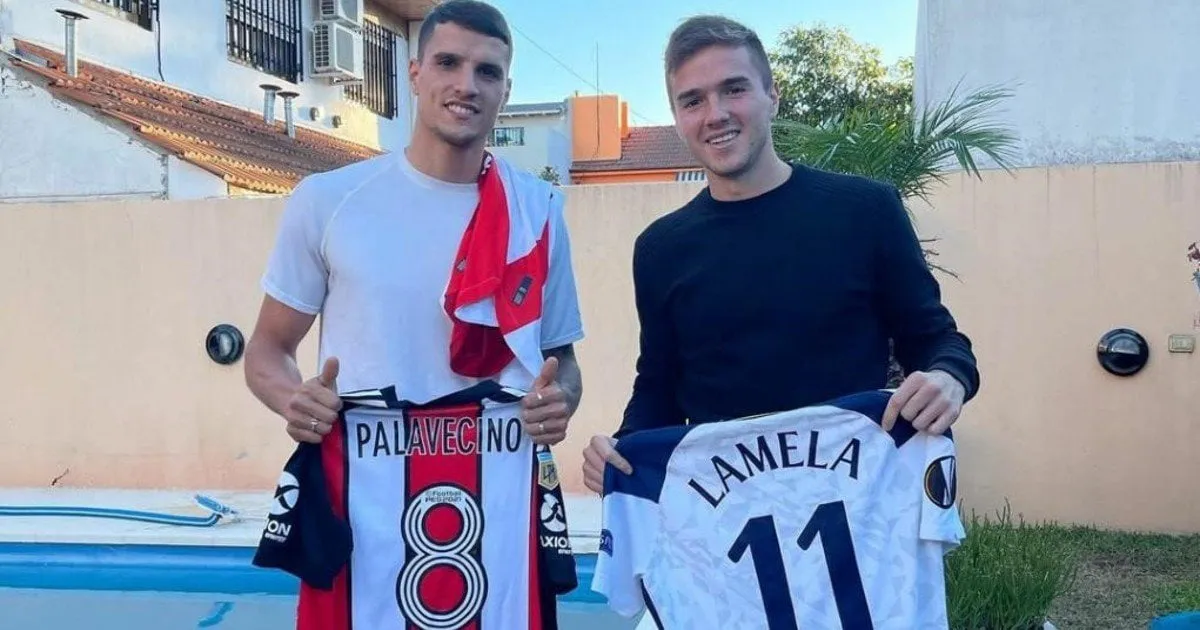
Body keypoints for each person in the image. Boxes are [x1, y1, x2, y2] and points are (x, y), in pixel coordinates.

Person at [243, 1, 585, 627]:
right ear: (415, 72)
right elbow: (266, 352)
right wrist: (296, 400)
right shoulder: (328, 201)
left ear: (505, 90)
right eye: (449, 63)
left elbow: (561, 361)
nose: (467, 84)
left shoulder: (537, 211)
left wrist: (559, 399)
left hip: (501, 509)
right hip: (360, 507)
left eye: (487, 71)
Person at [581, 13, 979, 493]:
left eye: (734, 89)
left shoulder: (866, 210)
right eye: (693, 100)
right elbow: (658, 387)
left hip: (857, 504)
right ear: (678, 118)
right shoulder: (660, 249)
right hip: (725, 516)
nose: (715, 114)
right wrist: (622, 451)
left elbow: (936, 339)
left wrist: (948, 377)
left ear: (772, 96)